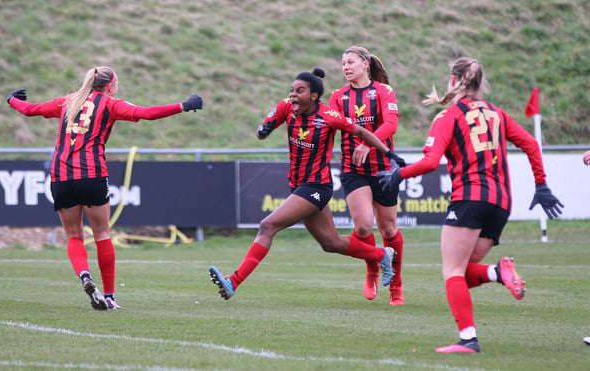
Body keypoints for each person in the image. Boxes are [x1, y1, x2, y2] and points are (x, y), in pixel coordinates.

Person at [377, 57, 563, 353]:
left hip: (470, 198)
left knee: (451, 271)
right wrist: (541, 184)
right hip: (501, 202)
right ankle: (497, 273)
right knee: (462, 273)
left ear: (453, 80)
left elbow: (430, 162)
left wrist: (398, 174)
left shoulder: (448, 116)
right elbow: (530, 143)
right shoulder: (497, 113)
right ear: (478, 83)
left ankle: (468, 339)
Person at [7, 66, 203, 310]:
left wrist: (12, 100)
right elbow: (146, 113)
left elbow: (31, 110)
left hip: (61, 175)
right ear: (109, 86)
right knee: (102, 233)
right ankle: (109, 296)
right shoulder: (111, 104)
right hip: (92, 174)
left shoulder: (67, 102)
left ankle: (85, 276)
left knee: (73, 236)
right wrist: (184, 105)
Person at [209, 68, 402, 300]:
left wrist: (389, 154)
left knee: (267, 226)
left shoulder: (329, 115)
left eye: (299, 91)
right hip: (298, 184)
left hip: (317, 186)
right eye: (291, 90)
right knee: (331, 243)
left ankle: (234, 281)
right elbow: (262, 131)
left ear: (313, 96)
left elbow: (361, 131)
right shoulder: (286, 107)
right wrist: (264, 130)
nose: (292, 95)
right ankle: (381, 254)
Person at [328, 46, 405, 305]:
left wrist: (367, 143)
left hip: (383, 169)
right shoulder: (338, 97)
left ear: (365, 63)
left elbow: (391, 125)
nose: (345, 67)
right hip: (353, 169)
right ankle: (372, 267)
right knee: (362, 226)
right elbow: (327, 128)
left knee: (389, 228)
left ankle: (396, 286)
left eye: (350, 62)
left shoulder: (384, 92)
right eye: (342, 63)